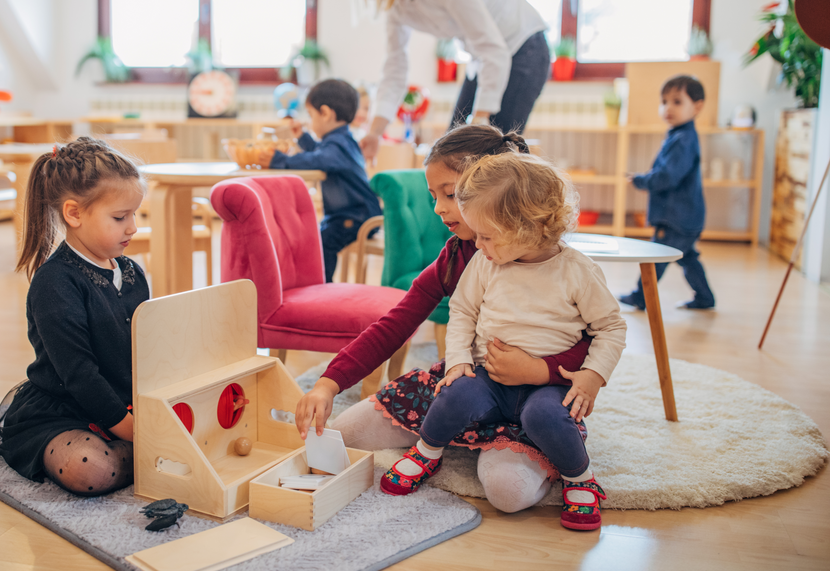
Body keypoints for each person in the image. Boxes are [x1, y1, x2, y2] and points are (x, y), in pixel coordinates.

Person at [295, 124, 595, 514]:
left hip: (539, 396)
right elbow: (396, 322)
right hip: (469, 384)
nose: (438, 208)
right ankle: (448, 438)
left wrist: (541, 370)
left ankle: (553, 452)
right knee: (342, 433)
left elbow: (595, 339)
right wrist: (327, 384)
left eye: (450, 195)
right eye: (433, 196)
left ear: (497, 189)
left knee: (508, 493)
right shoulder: (455, 255)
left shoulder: (555, 262)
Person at [380, 152, 626, 531]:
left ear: (527, 228)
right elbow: (462, 311)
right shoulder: (486, 261)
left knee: (545, 416)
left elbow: (610, 327)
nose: (476, 244)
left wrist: (593, 375)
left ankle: (580, 477)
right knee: (454, 394)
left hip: (550, 385)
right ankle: (428, 452)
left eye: (486, 235)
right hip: (489, 378)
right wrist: (459, 360)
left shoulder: (577, 271)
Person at [0, 137, 149, 497]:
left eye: (134, 214)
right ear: (74, 213)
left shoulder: (133, 272)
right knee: (90, 468)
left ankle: (143, 450)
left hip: (123, 401)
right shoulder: (55, 283)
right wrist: (141, 434)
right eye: (120, 217)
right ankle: (144, 453)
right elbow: (79, 375)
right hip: (65, 408)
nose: (133, 227)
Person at [360, 0, 551, 161]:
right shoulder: (395, 8)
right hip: (484, 57)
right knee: (450, 152)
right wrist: (375, 133)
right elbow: (394, 70)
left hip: (523, 47)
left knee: (489, 154)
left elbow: (494, 50)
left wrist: (480, 118)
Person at [259, 79, 382, 282]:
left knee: (322, 241)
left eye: (311, 115)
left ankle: (323, 285)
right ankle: (311, 281)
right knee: (314, 236)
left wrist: (281, 160)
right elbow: (320, 153)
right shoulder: (340, 141)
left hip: (359, 216)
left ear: (325, 113)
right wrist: (303, 138)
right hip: (351, 214)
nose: (310, 120)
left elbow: (319, 159)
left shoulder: (338, 145)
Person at [619, 75, 715, 311]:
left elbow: (667, 176)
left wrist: (641, 180)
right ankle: (705, 297)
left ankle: (642, 296)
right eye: (664, 101)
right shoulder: (681, 135)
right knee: (688, 257)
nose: (668, 108)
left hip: (676, 217)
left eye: (677, 102)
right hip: (687, 215)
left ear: (698, 106)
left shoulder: (682, 139)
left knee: (655, 257)